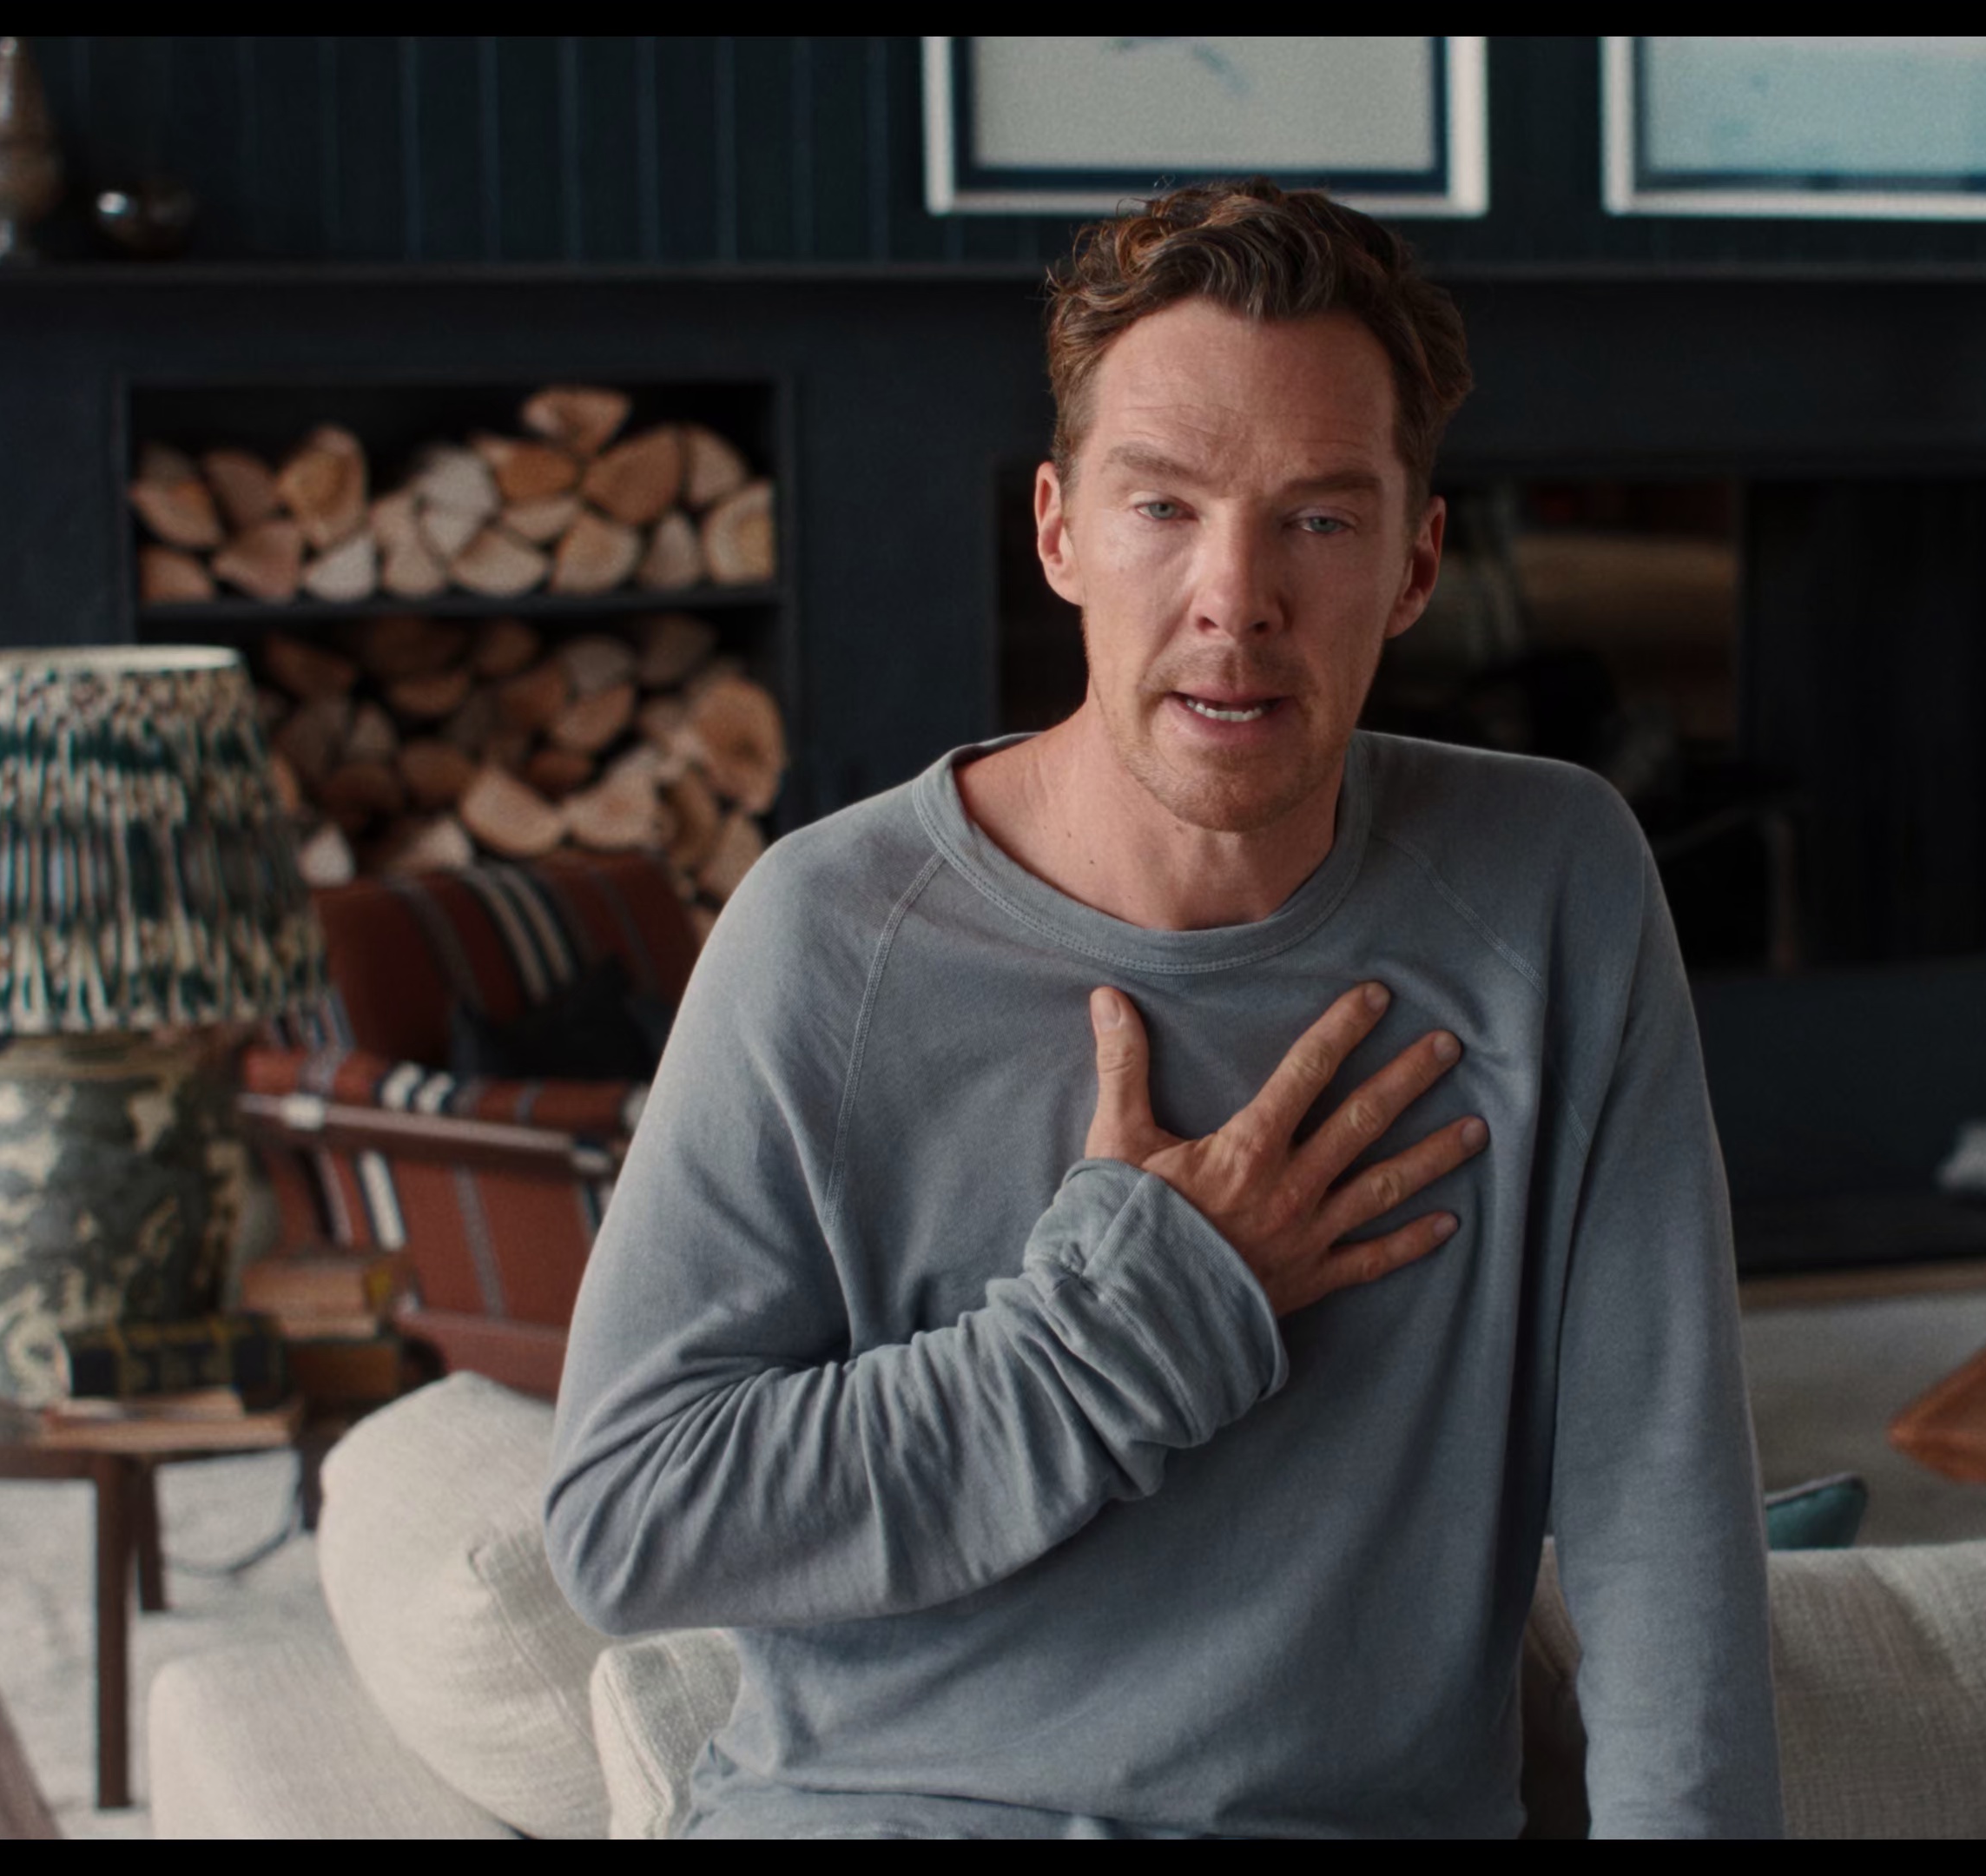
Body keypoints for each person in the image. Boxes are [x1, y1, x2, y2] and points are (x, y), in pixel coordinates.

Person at [544, 177, 1779, 1839]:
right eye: (1162, 508)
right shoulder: (826, 934)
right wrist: (1128, 1325)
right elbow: (629, 1523)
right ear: (1059, 532)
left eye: (1318, 521)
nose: (1235, 597)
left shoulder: (1556, 885)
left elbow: (1659, 1497)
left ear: (1416, 563)